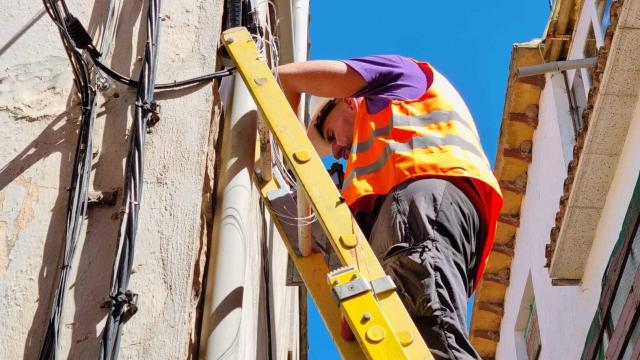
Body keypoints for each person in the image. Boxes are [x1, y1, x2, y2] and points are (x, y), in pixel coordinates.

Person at [278, 55, 503, 360]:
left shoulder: (400, 75)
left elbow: (288, 77)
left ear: (347, 100)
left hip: (422, 204)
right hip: (435, 215)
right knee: (416, 338)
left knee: (430, 330)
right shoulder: (375, 159)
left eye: (330, 134)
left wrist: (283, 158)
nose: (335, 151)